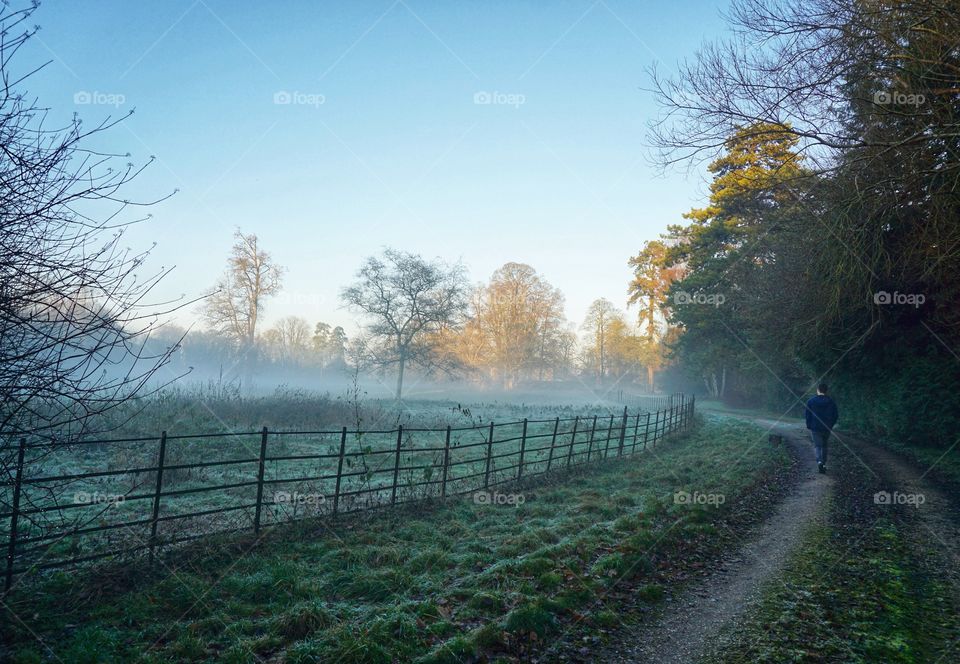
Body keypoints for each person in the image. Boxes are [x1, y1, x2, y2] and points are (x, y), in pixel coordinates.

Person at [805, 383, 838, 474]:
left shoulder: (811, 401)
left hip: (815, 427)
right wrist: (831, 425)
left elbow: (807, 415)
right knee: (824, 445)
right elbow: (835, 415)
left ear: (818, 390)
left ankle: (819, 461)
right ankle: (823, 464)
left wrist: (809, 425)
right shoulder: (831, 402)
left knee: (817, 446)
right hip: (826, 427)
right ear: (826, 390)